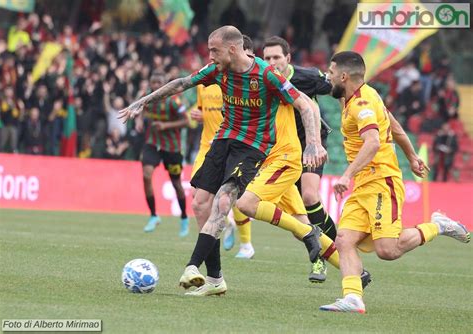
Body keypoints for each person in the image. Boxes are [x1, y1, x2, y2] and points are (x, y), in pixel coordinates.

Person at [118, 26, 327, 296]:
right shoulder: (218, 70)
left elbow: (304, 105)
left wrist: (313, 142)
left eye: (214, 50)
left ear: (232, 49)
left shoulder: (266, 75)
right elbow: (182, 83)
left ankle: (193, 266)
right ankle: (215, 280)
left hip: (252, 148)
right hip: (223, 141)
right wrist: (143, 101)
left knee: (225, 201)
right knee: (200, 204)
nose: (210, 55)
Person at [319, 51, 470, 314]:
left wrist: (345, 176)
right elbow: (395, 125)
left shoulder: (361, 104)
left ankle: (437, 226)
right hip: (364, 183)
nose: (327, 77)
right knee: (343, 239)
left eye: (331, 73)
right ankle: (353, 297)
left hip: (381, 182)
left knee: (388, 250)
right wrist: (412, 156)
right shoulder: (363, 95)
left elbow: (373, 142)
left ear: (343, 76)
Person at [262, 36, 337, 281]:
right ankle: (320, 258)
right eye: (267, 58)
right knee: (298, 222)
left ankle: (335, 241)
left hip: (311, 144)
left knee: (309, 195)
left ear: (288, 58)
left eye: (276, 57)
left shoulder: (308, 77)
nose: (272, 62)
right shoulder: (262, 80)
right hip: (283, 150)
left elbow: (339, 88)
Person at [190, 34, 255, 259]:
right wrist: (195, 117)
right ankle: (224, 226)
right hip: (206, 145)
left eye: (215, 52)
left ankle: (246, 244)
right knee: (197, 197)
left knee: (230, 195)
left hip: (230, 145)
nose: (211, 57)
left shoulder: (230, 82)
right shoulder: (204, 84)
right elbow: (198, 113)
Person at [136, 73, 190, 237]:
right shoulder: (147, 98)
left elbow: (186, 122)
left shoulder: (174, 101)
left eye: (158, 82)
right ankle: (153, 216)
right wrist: (139, 119)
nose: (155, 86)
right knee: (146, 175)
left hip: (172, 147)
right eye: (153, 82)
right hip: (152, 143)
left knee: (176, 184)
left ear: (165, 84)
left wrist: (165, 125)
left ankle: (184, 218)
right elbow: (140, 109)